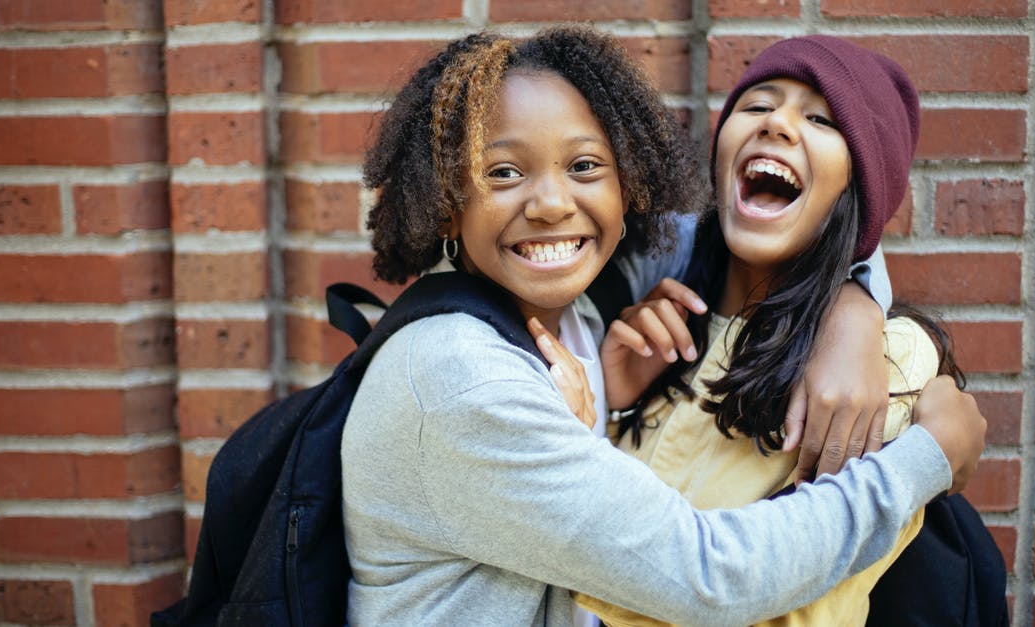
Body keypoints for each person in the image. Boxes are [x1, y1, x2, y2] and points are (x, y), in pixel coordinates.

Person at [341, 26, 985, 626]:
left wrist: (858, 308)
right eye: (502, 172)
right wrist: (927, 458)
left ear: (629, 187)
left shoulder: (604, 302)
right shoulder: (465, 376)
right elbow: (702, 576)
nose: (551, 204)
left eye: (585, 166)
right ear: (446, 204)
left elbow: (850, 213)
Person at [576, 35, 963, 626]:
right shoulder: (661, 325)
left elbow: (793, 604)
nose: (777, 124)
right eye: (756, 106)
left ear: (858, 186)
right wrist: (605, 408)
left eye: (820, 119)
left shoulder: (880, 366)